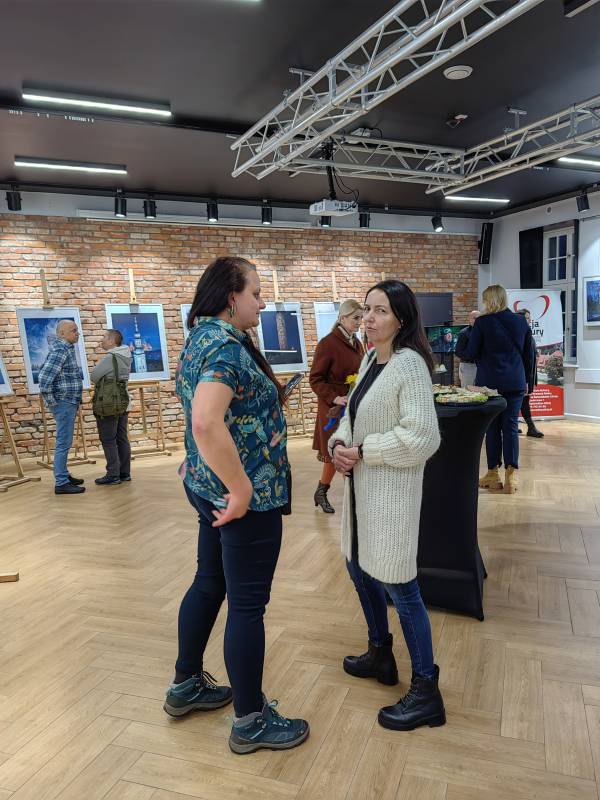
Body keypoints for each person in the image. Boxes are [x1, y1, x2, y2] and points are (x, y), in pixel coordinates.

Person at [165, 256, 309, 755]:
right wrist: (242, 489)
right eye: (257, 293)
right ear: (232, 297)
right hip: (244, 498)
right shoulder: (225, 347)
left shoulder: (201, 336)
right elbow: (205, 421)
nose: (263, 303)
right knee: (247, 605)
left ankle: (186, 684)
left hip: (209, 488)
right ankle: (250, 721)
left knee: (209, 582)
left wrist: (198, 463)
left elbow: (204, 413)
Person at [330, 280, 445, 732]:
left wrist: (364, 452)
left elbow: (424, 437)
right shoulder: (370, 360)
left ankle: (427, 690)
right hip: (361, 495)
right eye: (366, 310)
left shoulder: (409, 365)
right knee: (358, 567)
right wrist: (340, 444)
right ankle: (380, 652)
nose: (368, 318)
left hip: (391, 497)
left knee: (402, 588)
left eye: (380, 311)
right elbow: (351, 418)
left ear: (402, 318)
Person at [466, 285, 534, 494]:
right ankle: (511, 477)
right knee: (511, 426)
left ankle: (493, 474)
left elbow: (471, 353)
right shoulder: (520, 321)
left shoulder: (482, 322)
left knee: (492, 427)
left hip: (489, 383)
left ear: (489, 300)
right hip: (515, 381)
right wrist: (528, 381)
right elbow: (529, 354)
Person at [309, 300, 364, 513]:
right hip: (333, 410)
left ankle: (321, 492)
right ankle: (354, 500)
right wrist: (335, 398)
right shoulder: (327, 343)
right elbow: (315, 379)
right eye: (356, 318)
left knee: (339, 454)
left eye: (360, 318)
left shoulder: (356, 342)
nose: (360, 322)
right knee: (340, 453)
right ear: (342, 318)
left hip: (351, 406)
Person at [38, 319, 85, 495]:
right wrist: (53, 402)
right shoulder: (60, 350)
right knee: (63, 443)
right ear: (62, 334)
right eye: (73, 330)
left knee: (65, 441)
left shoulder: (66, 348)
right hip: (64, 402)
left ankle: (64, 475)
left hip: (68, 401)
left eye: (77, 330)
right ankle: (61, 482)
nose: (77, 333)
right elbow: (44, 378)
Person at [90, 329, 132, 485]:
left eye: (104, 337)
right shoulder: (126, 356)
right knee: (122, 438)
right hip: (123, 403)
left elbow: (94, 376)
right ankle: (124, 473)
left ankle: (113, 474)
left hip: (109, 404)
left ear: (112, 341)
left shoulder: (111, 357)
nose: (102, 340)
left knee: (108, 439)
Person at [516, 309, 544, 438]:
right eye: (527, 318)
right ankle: (530, 427)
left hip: (529, 374)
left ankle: (518, 426)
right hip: (521, 376)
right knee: (522, 401)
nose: (530, 320)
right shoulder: (518, 335)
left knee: (523, 401)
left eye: (529, 318)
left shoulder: (527, 334)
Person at [455, 311, 480, 388]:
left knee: (480, 391)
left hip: (481, 366)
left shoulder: (483, 332)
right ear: (469, 319)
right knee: (467, 391)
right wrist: (472, 355)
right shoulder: (464, 333)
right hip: (468, 366)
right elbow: (458, 352)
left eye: (479, 318)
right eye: (474, 318)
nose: (477, 320)